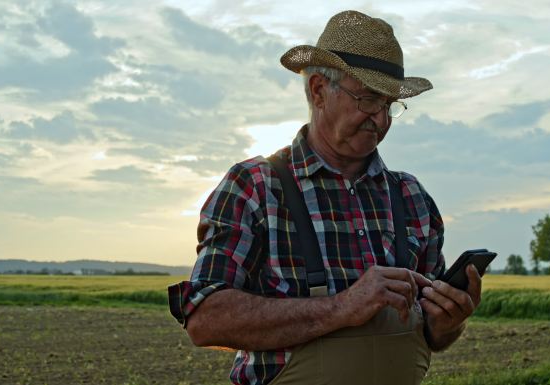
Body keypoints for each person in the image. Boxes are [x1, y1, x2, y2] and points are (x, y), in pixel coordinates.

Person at [168, 10, 482, 385]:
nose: (380, 120)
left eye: (389, 105)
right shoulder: (254, 186)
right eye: (367, 99)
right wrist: (343, 306)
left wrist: (449, 322)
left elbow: (434, 337)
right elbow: (205, 320)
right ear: (319, 90)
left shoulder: (412, 197)